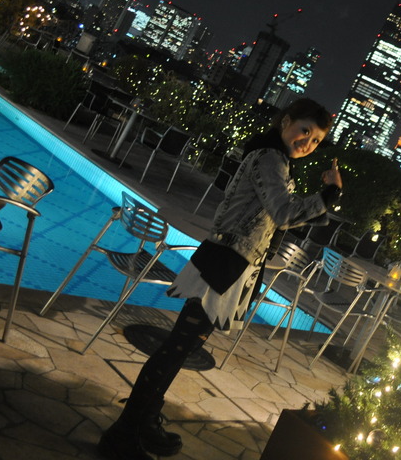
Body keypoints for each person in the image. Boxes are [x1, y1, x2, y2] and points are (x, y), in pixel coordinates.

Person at [98, 98, 343, 460]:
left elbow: (277, 217)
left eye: (316, 140)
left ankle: (144, 422)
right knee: (174, 350)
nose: (307, 143)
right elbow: (283, 213)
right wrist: (329, 194)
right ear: (286, 122)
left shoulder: (275, 159)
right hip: (223, 263)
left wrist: (320, 203)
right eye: (304, 131)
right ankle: (124, 433)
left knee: (181, 348)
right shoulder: (270, 158)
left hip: (231, 263)